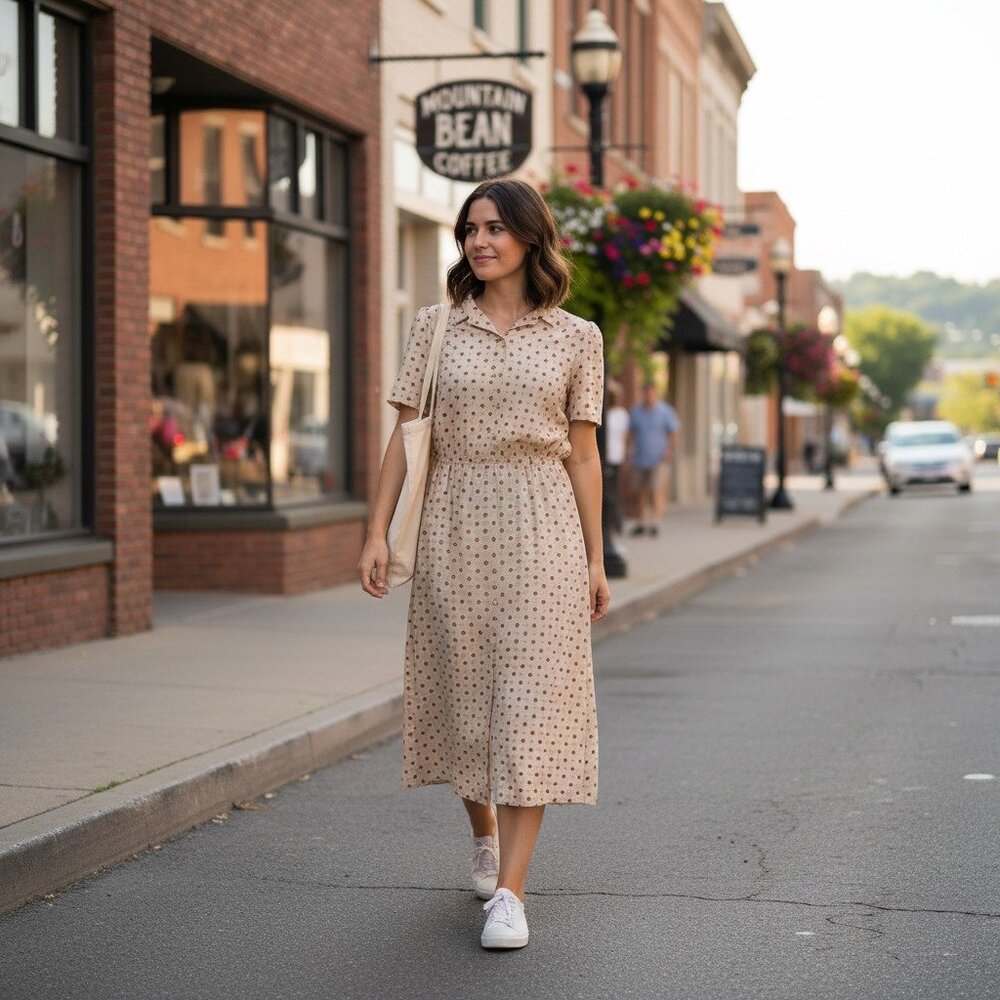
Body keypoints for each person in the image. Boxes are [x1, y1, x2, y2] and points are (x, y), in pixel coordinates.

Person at [357, 178, 609, 951]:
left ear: (532, 237)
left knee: (529, 707)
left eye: (497, 227)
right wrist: (376, 531)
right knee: (467, 702)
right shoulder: (435, 328)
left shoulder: (578, 337)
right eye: (471, 229)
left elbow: (586, 454)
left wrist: (598, 559)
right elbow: (406, 439)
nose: (480, 241)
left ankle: (512, 893)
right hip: (454, 528)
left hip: (544, 531)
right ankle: (483, 832)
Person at [628, 381, 679, 536]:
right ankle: (642, 523)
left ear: (655, 394)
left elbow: (673, 432)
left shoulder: (665, 411)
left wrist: (669, 449)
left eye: (651, 393)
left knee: (656, 490)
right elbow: (630, 433)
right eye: (646, 393)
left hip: (659, 458)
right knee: (640, 491)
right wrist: (628, 451)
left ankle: (655, 523)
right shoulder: (636, 412)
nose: (649, 396)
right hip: (640, 458)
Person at [604, 380, 629, 535]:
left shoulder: (621, 414)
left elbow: (623, 436)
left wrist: (624, 454)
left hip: (614, 456)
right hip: (603, 455)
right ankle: (612, 522)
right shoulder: (604, 413)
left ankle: (615, 522)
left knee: (612, 491)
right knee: (606, 491)